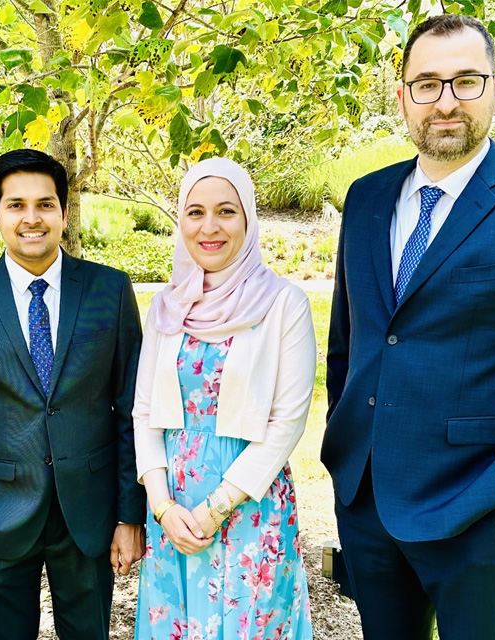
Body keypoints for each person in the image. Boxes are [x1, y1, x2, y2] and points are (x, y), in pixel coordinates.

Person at [323, 15, 495, 640]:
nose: (445, 101)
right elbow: (351, 343)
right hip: (367, 502)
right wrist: (345, 452)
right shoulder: (366, 199)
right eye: (426, 83)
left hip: (477, 510)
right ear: (402, 97)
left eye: (465, 81)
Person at [0, 149, 147, 640]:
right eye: (16, 205)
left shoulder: (108, 290)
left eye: (45, 204)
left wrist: (129, 514)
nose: (32, 218)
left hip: (88, 515)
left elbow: (132, 409)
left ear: (64, 213)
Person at [133, 157, 317, 639]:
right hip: (172, 502)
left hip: (249, 502)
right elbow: (145, 412)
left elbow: (287, 424)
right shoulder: (166, 305)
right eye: (194, 212)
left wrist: (215, 507)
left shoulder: (284, 305)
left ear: (249, 219)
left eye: (226, 211)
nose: (208, 227)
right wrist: (161, 507)